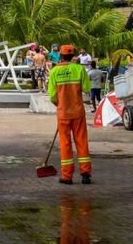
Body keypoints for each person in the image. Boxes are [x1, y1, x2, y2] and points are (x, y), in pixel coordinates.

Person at [47, 44, 92, 185]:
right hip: (78, 112)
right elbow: (86, 89)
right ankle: (85, 174)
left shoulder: (54, 71)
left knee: (65, 144)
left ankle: (67, 176)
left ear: (60, 55)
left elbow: (52, 96)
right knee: (82, 142)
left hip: (63, 114)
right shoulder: (79, 69)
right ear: (73, 56)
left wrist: (60, 106)